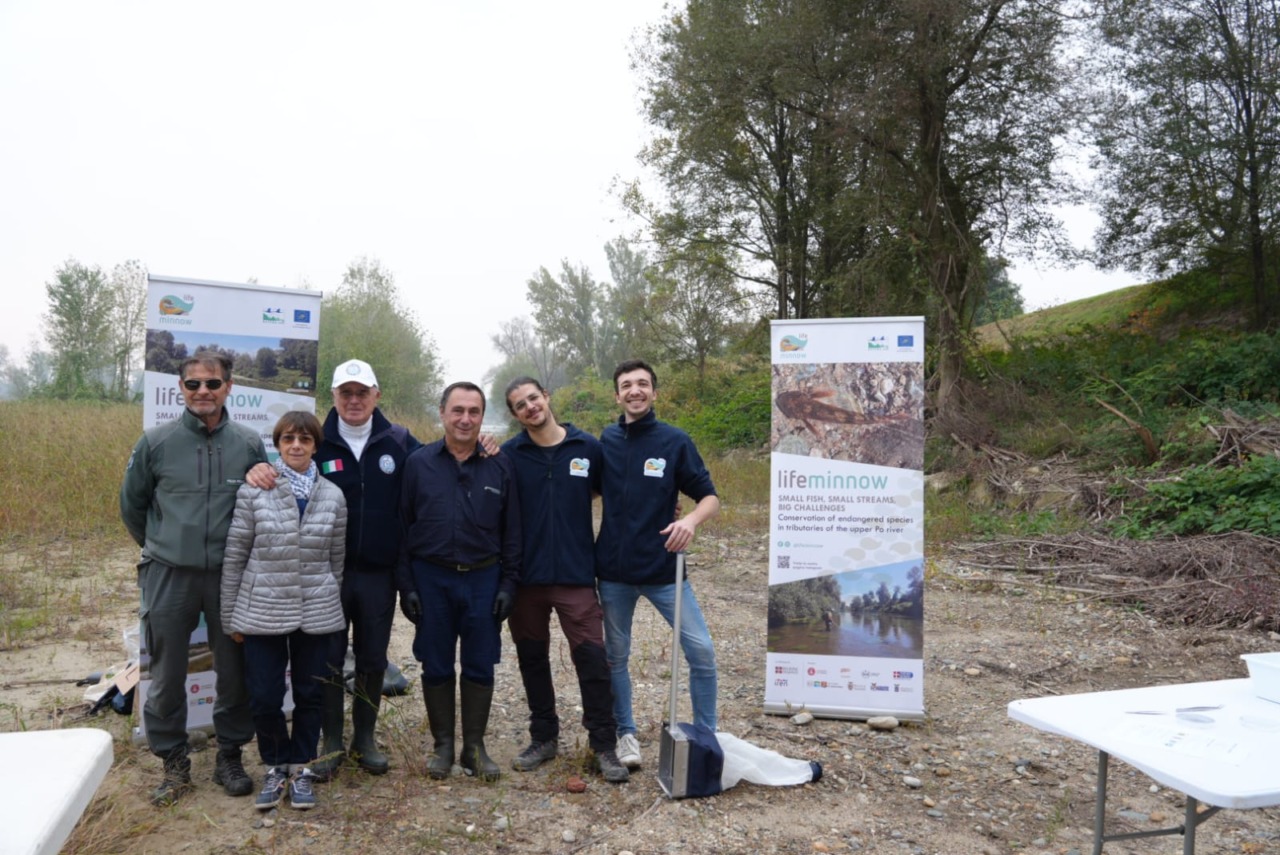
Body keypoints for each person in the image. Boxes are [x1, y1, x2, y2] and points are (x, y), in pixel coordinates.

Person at [120, 353, 268, 805]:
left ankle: (229, 756)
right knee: (166, 673)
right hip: (169, 576)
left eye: (212, 384)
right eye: (193, 385)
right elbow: (133, 506)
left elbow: (261, 505)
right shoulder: (156, 443)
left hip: (229, 577)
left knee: (233, 671)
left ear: (229, 387)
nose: (202, 392)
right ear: (180, 388)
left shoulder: (247, 443)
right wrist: (167, 546)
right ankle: (174, 764)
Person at [501, 377, 629, 783]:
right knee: (532, 660)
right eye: (520, 405)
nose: (530, 407)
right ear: (515, 415)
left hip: (575, 575)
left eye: (533, 398)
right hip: (526, 580)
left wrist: (669, 505)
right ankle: (544, 738)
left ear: (547, 398)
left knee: (592, 659)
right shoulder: (509, 455)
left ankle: (604, 747)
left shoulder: (588, 448)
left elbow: (618, 492)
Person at [595, 359, 721, 770]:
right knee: (616, 656)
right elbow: (579, 484)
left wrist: (689, 520)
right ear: (617, 395)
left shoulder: (674, 441)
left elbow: (709, 497)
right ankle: (626, 733)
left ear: (654, 393)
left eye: (643, 384)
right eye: (627, 385)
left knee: (701, 650)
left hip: (666, 571)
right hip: (613, 574)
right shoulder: (605, 442)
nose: (635, 390)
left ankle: (706, 736)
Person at [221, 411, 347, 811]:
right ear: (277, 444)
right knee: (264, 695)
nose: (296, 446)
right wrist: (230, 616)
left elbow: (336, 560)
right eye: (289, 438)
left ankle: (303, 766)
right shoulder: (254, 492)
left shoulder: (333, 496)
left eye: (305, 440)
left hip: (316, 611)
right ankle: (276, 765)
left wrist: (328, 597)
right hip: (262, 610)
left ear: (315, 446)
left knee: (310, 693)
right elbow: (236, 555)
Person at [397, 381, 521, 781]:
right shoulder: (418, 463)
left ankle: (473, 747)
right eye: (458, 410)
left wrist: (509, 584)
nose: (465, 418)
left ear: (482, 417)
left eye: (474, 411)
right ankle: (443, 747)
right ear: (442, 413)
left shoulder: (500, 464)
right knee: (435, 663)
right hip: (431, 579)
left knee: (480, 662)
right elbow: (401, 528)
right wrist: (407, 586)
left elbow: (513, 532)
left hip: (484, 578)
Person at [310, 358, 422, 778]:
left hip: (378, 575)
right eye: (346, 392)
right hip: (327, 576)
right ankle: (331, 741)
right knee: (328, 659)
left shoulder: (399, 441)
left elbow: (437, 469)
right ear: (334, 397)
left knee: (373, 660)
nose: (354, 400)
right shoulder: (315, 441)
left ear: (376, 395)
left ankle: (365, 739)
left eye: (362, 392)